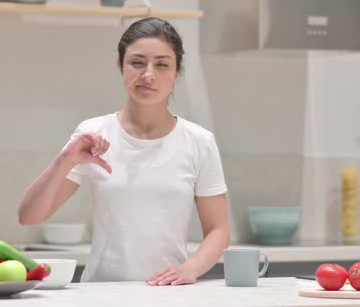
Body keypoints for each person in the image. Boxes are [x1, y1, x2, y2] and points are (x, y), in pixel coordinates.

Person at [19, 17, 229, 285]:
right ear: (121, 66)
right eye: (137, 63)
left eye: (162, 64)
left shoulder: (199, 141)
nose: (148, 75)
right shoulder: (93, 134)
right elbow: (29, 216)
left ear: (177, 72)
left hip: (169, 294)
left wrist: (190, 269)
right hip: (100, 293)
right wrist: (65, 160)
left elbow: (219, 230)